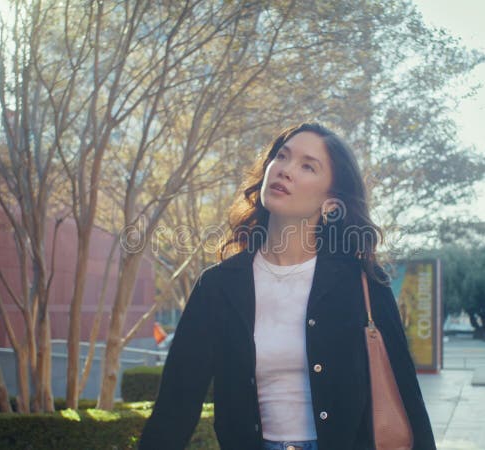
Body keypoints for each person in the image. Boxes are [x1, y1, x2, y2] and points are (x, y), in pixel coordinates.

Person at [138, 123, 436, 450]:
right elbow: (175, 406)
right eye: (281, 157)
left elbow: (408, 398)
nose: (285, 170)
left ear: (332, 203)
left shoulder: (361, 282)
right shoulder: (219, 286)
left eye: (307, 166)